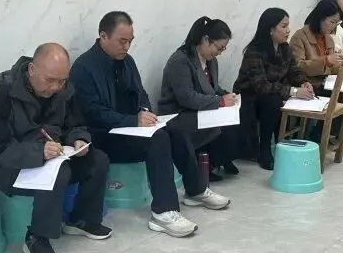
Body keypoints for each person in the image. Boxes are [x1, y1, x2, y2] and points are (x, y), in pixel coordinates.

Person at [70, 12, 229, 238]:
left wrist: (145, 112)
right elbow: (92, 113)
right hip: (103, 135)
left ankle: (195, 190)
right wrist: (132, 121)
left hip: (130, 128)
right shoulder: (84, 68)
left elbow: (141, 94)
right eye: (122, 41)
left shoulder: (127, 61)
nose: (127, 47)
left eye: (130, 41)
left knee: (175, 128)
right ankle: (164, 211)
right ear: (103, 36)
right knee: (158, 139)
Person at [0, 43, 112, 253]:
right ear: (31, 69)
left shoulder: (64, 91)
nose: (55, 87)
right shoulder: (1, 97)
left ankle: (82, 220)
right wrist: (38, 152)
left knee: (98, 160)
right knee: (58, 172)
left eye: (61, 81)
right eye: (50, 80)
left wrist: (78, 140)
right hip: (10, 167)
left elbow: (75, 124)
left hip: (54, 156)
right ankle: (37, 237)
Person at [233, 8, 314, 170]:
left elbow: (294, 71)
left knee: (276, 99)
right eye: (283, 26)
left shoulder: (285, 48)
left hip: (272, 92)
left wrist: (304, 82)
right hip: (249, 97)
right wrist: (293, 91)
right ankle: (264, 149)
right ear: (270, 29)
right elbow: (261, 86)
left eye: (288, 25)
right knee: (272, 101)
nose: (288, 30)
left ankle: (286, 144)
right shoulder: (254, 51)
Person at [159, 17, 240, 180]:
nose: (219, 53)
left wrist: (228, 95)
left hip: (199, 109)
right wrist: (220, 101)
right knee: (217, 125)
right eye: (219, 48)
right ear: (205, 40)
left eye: (223, 49)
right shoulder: (180, 61)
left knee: (235, 117)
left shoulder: (211, 61)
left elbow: (213, 88)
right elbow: (187, 98)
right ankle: (205, 166)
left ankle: (220, 160)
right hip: (178, 113)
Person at [289, 0, 343, 144]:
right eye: (332, 22)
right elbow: (297, 66)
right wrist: (326, 60)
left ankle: (341, 131)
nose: (334, 27)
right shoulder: (300, 37)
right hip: (306, 81)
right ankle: (319, 134)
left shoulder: (328, 38)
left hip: (324, 80)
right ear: (320, 18)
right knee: (338, 94)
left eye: (337, 23)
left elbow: (330, 66)